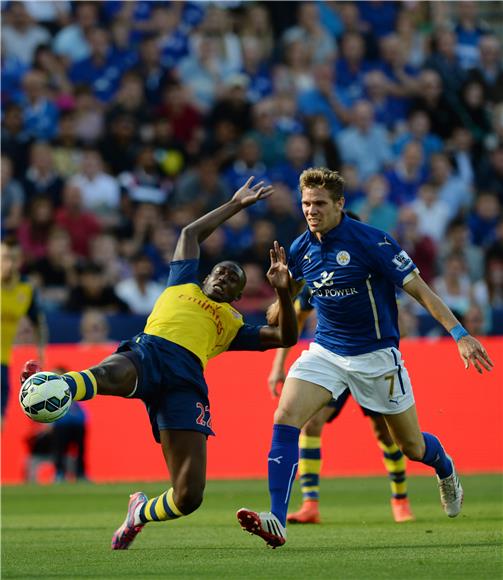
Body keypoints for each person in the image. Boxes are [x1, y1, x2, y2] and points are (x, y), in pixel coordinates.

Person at [20, 178, 298, 549]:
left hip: (186, 384)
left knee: (189, 495)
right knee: (111, 372)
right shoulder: (183, 280)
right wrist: (234, 205)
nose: (227, 277)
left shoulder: (233, 325)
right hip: (151, 352)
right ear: (208, 275)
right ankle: (61, 387)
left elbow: (286, 338)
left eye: (235, 280)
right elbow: (190, 232)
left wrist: (282, 289)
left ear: (237, 295)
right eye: (222, 272)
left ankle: (140, 513)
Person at [237, 167, 493, 548]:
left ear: (340, 204)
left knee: (411, 447)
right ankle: (277, 517)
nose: (311, 210)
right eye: (306, 203)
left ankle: (446, 468)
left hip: (376, 356)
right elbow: (282, 316)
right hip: (326, 351)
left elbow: (420, 290)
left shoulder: (372, 241)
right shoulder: (299, 248)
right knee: (286, 416)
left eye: (320, 203)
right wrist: (280, 292)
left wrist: (459, 334)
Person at [268, 275, 414, 525]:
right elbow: (295, 321)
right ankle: (310, 504)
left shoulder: (367, 277)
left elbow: (398, 320)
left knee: (385, 433)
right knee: (311, 424)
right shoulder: (319, 278)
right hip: (333, 361)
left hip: (369, 363)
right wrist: (278, 365)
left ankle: (400, 498)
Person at [1, 240, 46, 420]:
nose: (9, 264)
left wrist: (41, 353)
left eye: (14, 259)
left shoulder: (26, 289)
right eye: (4, 258)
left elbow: (38, 323)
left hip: (2, 362)